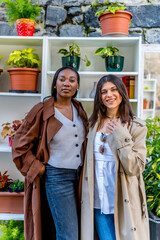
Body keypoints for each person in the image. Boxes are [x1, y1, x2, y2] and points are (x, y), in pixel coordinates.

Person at [12, 66, 88, 240]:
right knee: (68, 234)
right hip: (57, 177)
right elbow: (19, 143)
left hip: (80, 178)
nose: (66, 83)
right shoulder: (42, 110)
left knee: (77, 230)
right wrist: (37, 168)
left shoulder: (79, 109)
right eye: (62, 79)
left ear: (77, 86)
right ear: (55, 84)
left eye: (72, 80)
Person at [81, 75, 150, 240]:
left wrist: (120, 135)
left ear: (122, 93)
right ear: (99, 97)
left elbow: (135, 167)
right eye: (103, 91)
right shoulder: (92, 126)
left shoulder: (137, 126)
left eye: (113, 89)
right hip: (98, 202)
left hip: (123, 202)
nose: (108, 95)